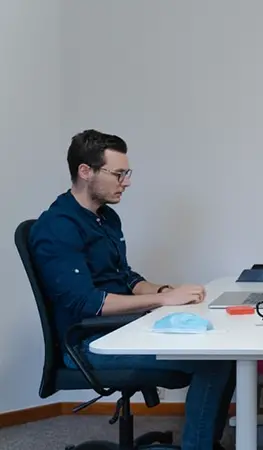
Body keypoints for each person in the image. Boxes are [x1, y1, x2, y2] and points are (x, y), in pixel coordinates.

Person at [29, 129, 235, 450]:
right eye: (119, 173)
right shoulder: (57, 227)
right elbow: (88, 303)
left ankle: (204, 441)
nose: (127, 181)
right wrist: (163, 299)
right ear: (86, 172)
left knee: (221, 348)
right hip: (88, 345)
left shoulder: (106, 218)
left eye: (127, 173)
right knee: (215, 361)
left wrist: (166, 290)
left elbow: (126, 278)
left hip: (122, 330)